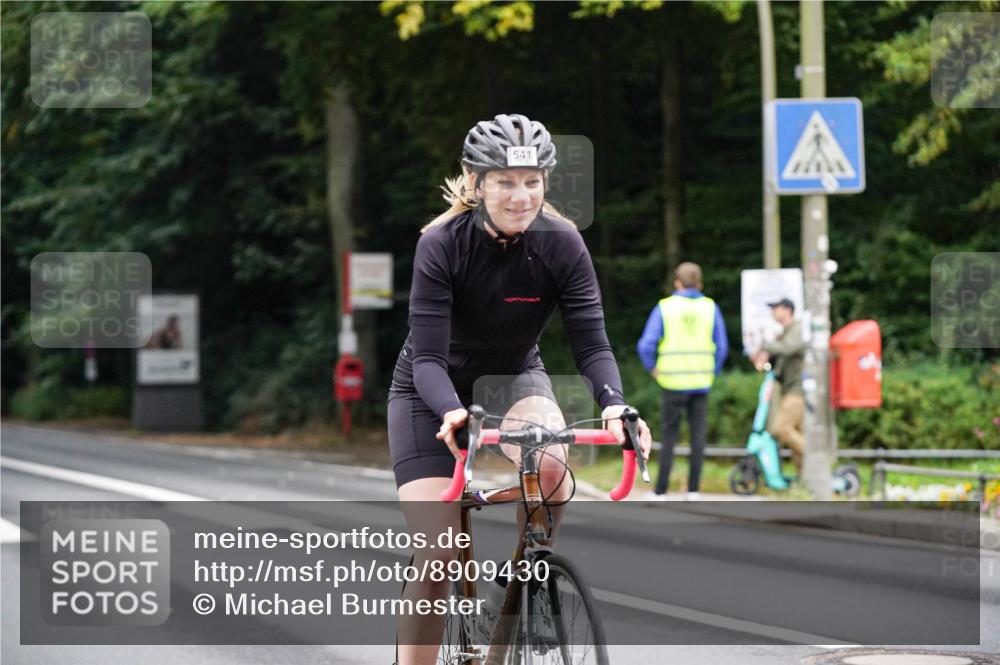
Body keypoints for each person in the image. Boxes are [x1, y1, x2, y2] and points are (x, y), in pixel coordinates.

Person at [387, 113, 652, 665]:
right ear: (476, 181)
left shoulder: (562, 244)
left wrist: (614, 404)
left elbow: (592, 344)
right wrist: (453, 413)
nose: (520, 195)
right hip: (428, 390)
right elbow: (430, 357)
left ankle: (529, 571)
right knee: (437, 558)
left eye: (532, 181)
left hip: (513, 376)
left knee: (552, 464)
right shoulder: (441, 244)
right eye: (505, 181)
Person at [637, 262, 728, 500]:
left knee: (669, 436)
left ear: (677, 282)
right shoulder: (710, 307)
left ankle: (660, 491)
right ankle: (694, 490)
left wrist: (653, 369)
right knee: (698, 436)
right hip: (701, 381)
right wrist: (712, 371)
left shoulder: (665, 308)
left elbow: (646, 344)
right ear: (699, 283)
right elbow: (722, 346)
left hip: (671, 382)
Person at [752, 297, 805, 474]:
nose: (773, 311)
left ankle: (816, 462)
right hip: (790, 389)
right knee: (796, 433)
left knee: (782, 429)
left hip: (799, 391)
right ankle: (805, 478)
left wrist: (766, 346)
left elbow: (788, 348)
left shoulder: (797, 330)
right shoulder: (783, 333)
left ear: (788, 310)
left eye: (776, 308)